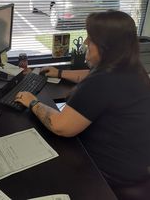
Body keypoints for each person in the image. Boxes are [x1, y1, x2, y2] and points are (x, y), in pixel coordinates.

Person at [14, 10, 150, 189]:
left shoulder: (103, 82)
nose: (85, 42)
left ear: (106, 46)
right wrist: (60, 72)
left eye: (91, 39)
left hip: (109, 173)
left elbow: (61, 126)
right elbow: (89, 74)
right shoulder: (130, 68)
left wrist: (32, 102)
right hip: (134, 164)